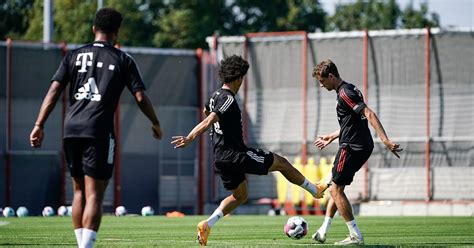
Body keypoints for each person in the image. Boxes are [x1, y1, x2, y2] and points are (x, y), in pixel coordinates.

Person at [29, 8, 162, 248]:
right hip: (97, 131)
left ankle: (82, 245)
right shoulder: (123, 59)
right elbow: (140, 97)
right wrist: (155, 122)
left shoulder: (73, 56)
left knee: (78, 192)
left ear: (94, 29)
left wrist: (39, 124)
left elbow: (54, 91)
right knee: (95, 195)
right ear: (117, 32)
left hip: (70, 129)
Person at [171, 55, 328, 246]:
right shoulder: (227, 99)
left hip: (220, 156)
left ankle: (207, 224)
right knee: (282, 163)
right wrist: (191, 137)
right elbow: (209, 118)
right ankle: (315, 190)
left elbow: (207, 112)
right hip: (235, 154)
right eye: (243, 78)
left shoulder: (214, 96)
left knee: (240, 196)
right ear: (238, 78)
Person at [311, 59, 402, 245]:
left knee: (335, 189)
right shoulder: (347, 90)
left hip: (352, 146)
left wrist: (385, 140)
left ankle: (355, 236)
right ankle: (323, 230)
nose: (321, 85)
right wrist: (332, 136)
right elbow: (352, 122)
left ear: (331, 76)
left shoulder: (345, 93)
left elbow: (369, 114)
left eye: (322, 81)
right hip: (359, 145)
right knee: (337, 187)